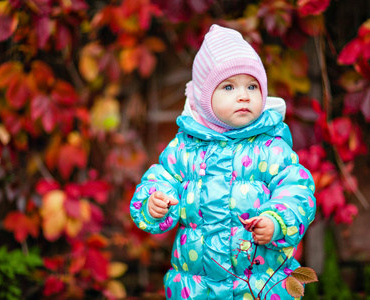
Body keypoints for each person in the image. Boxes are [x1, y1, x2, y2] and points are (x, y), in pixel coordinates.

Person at [130, 24, 316, 300]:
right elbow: (160, 180)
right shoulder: (184, 149)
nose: (243, 95)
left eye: (252, 86)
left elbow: (298, 190)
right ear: (204, 98)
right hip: (197, 284)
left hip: (259, 280)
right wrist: (155, 203)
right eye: (229, 86)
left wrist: (276, 220)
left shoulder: (271, 148)